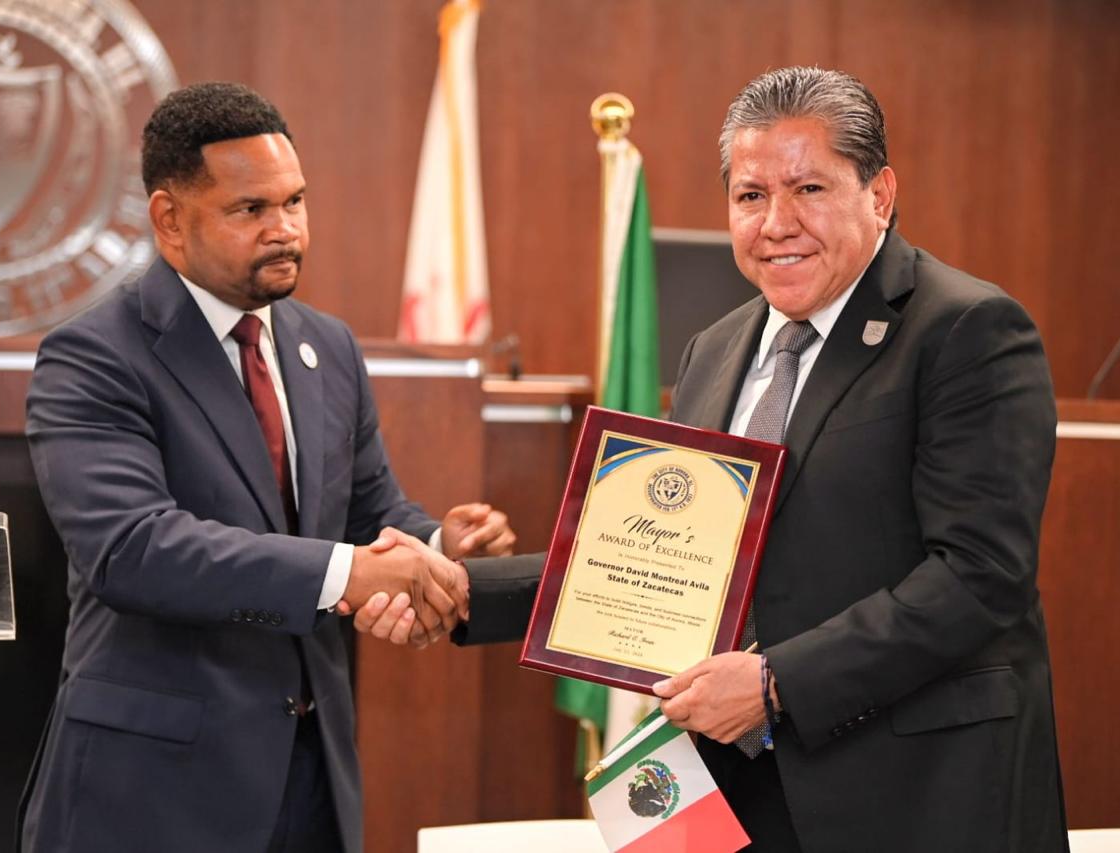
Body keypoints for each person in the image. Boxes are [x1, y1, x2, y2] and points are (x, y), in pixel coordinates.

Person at [353, 67, 1067, 853]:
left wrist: (775, 683)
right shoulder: (715, 349)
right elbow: (654, 557)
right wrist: (461, 591)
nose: (777, 223)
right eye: (751, 195)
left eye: (809, 189)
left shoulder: (966, 330)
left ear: (880, 194)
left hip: (916, 798)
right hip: (741, 794)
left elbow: (980, 575)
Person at [19, 81, 512, 853]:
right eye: (251, 209)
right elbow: (133, 549)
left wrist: (437, 545)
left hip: (312, 779)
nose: (285, 229)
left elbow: (365, 514)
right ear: (169, 219)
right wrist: (351, 574)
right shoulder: (94, 355)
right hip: (154, 792)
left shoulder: (329, 346)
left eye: (295, 201)